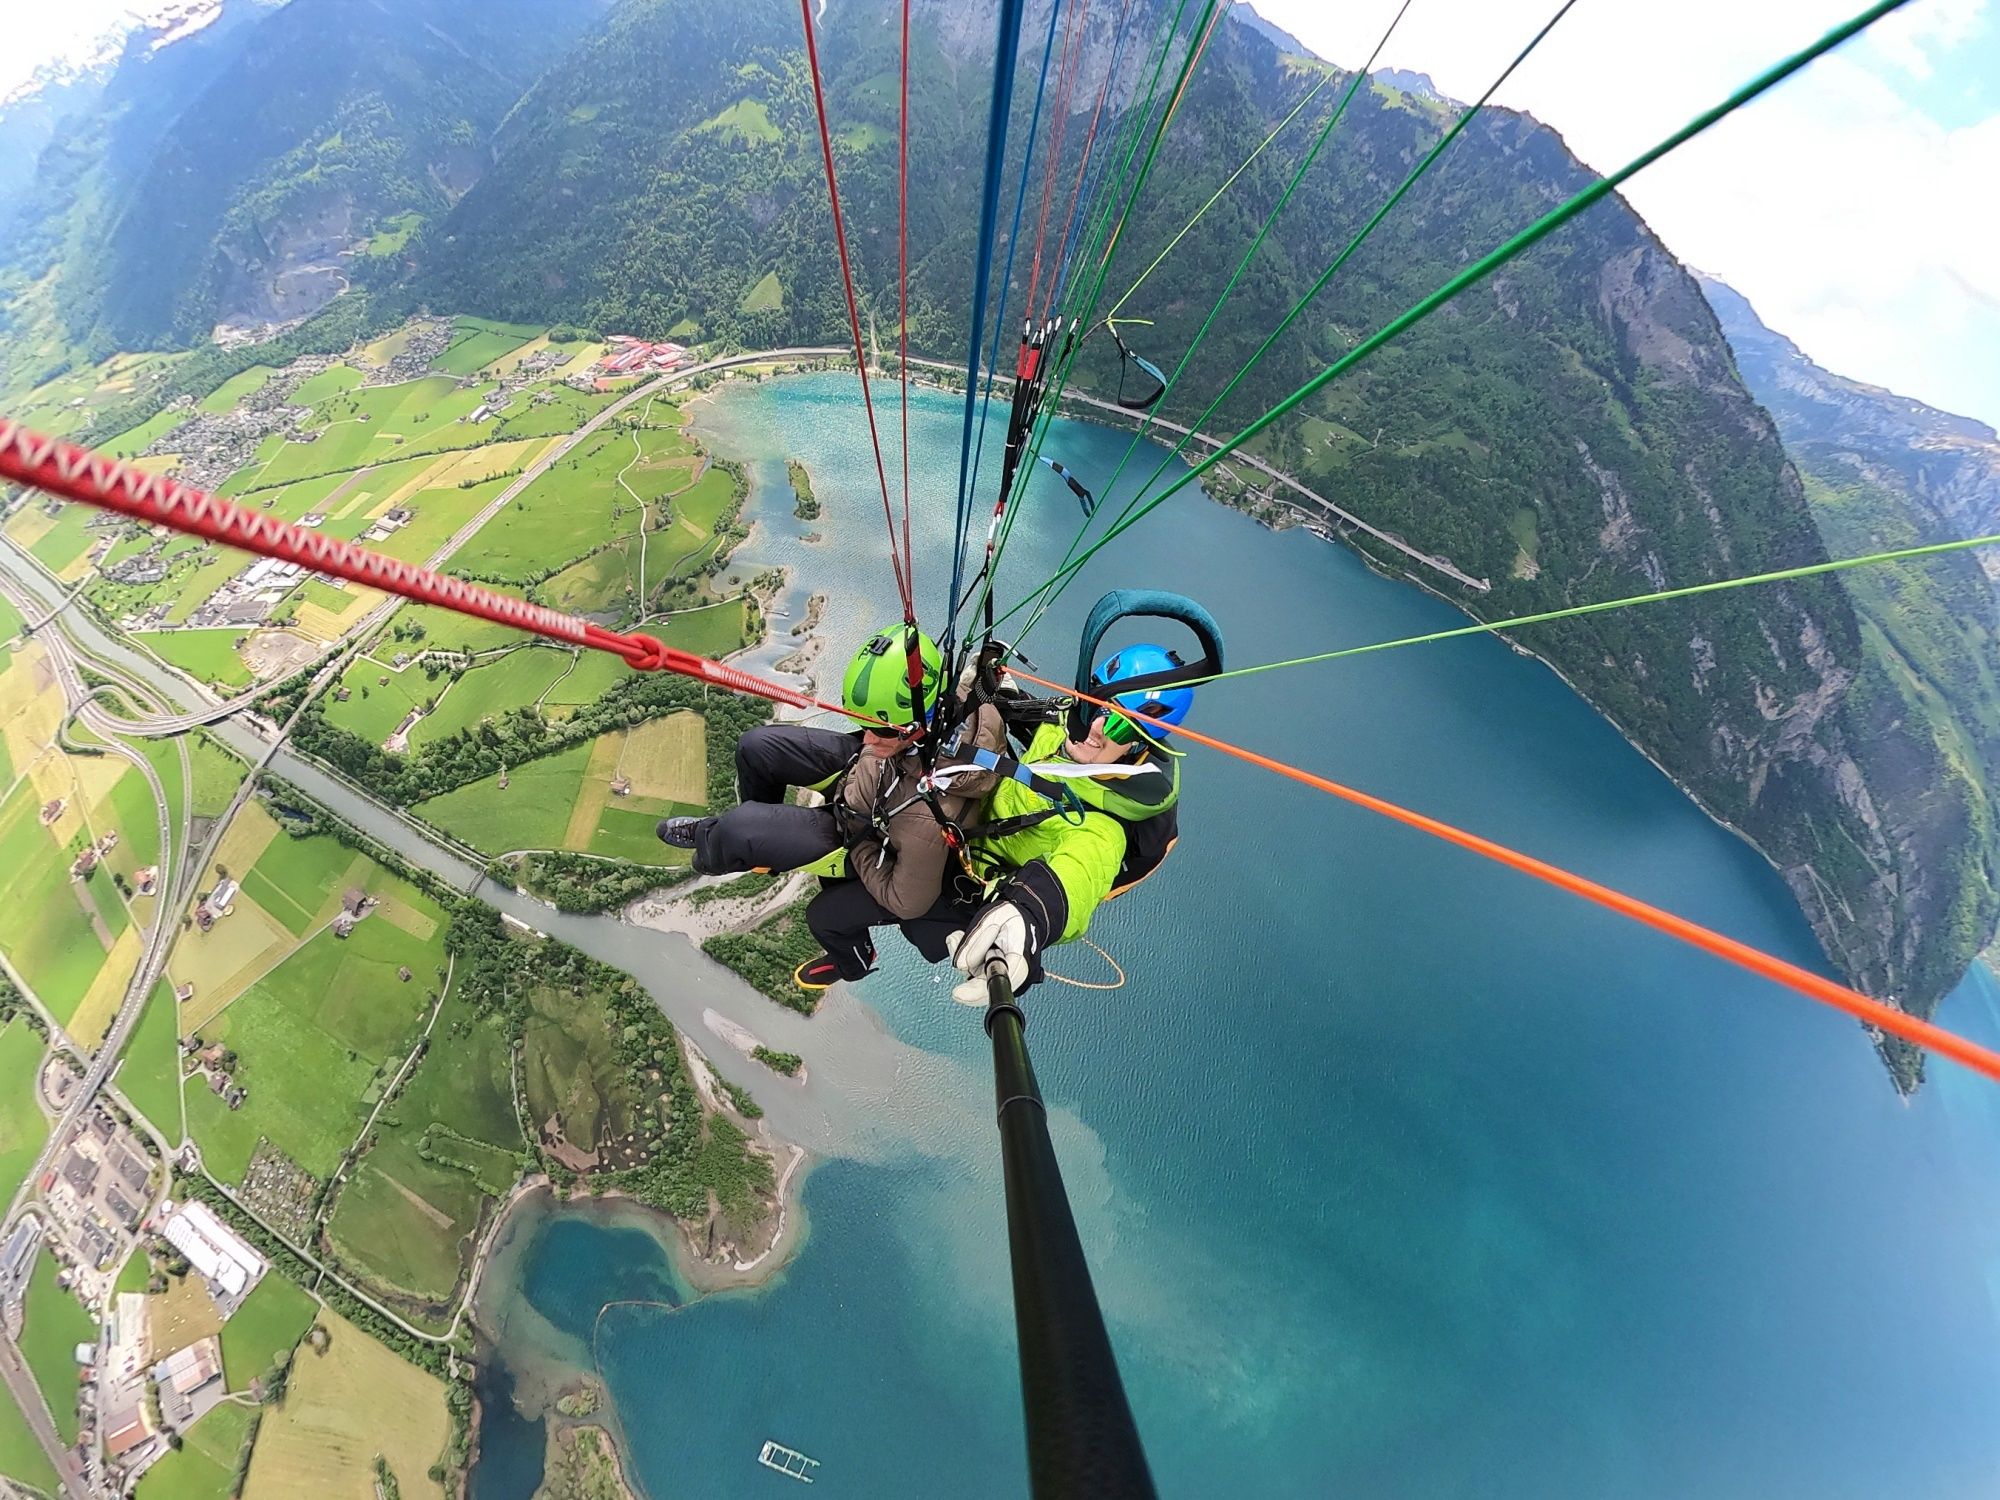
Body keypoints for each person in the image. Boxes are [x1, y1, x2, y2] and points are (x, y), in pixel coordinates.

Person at [657, 624, 1004, 988]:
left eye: (879, 728)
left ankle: (852, 962)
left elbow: (907, 902)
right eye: (865, 725)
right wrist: (880, 746)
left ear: (915, 725)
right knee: (755, 747)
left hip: (871, 834)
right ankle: (761, 848)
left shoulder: (927, 817)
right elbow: (880, 743)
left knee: (820, 914)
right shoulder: (944, 708)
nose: (867, 736)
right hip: (876, 778)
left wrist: (863, 848)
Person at [932, 644, 1194, 1004]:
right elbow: (1041, 727)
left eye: (1117, 723)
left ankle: (851, 958)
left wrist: (1028, 917)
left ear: (1139, 742)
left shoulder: (1104, 827)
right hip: (965, 820)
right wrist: (1000, 688)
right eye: (1094, 703)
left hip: (964, 886)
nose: (1095, 727)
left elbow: (1080, 871)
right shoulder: (1070, 728)